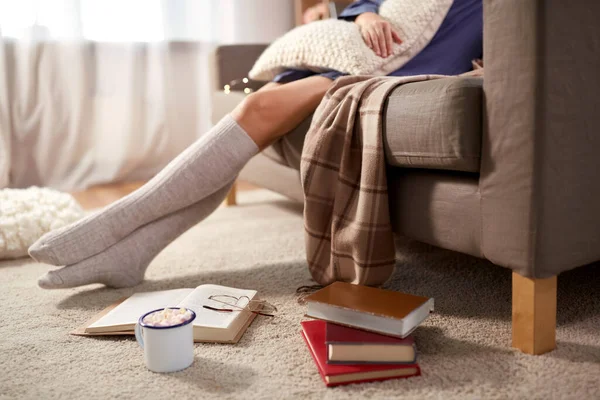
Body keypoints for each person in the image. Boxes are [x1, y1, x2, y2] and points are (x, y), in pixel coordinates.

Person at [30, 0, 483, 289]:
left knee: (254, 112)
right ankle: (131, 252)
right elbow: (371, 3)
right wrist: (366, 15)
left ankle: (115, 225)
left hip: (400, 73)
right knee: (260, 103)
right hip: (365, 56)